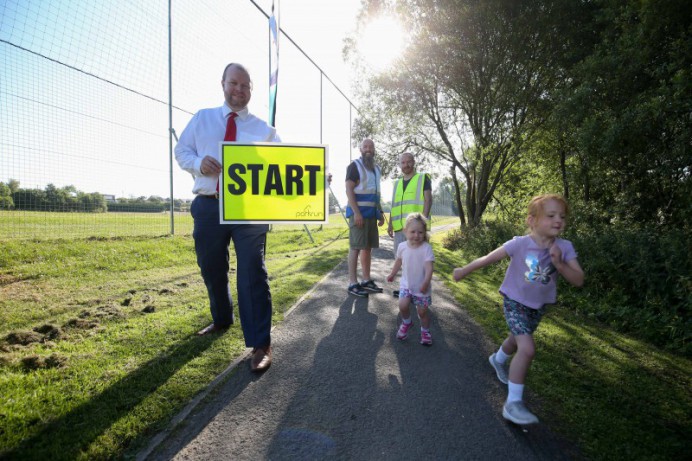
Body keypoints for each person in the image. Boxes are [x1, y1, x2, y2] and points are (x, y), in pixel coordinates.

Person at [175, 63, 278, 372]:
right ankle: (221, 319)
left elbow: (285, 168)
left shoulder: (265, 131)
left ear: (251, 90)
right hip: (208, 205)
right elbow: (181, 151)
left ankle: (261, 344)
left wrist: (315, 179)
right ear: (223, 83)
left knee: (252, 271)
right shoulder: (202, 118)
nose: (239, 90)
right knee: (211, 266)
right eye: (234, 83)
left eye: (245, 85)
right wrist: (197, 163)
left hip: (249, 211)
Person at [453, 194, 584, 425]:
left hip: (538, 306)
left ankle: (497, 359)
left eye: (562, 216)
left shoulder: (564, 247)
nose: (558, 221)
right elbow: (487, 259)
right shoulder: (519, 243)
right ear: (531, 221)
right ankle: (513, 404)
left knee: (515, 339)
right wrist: (464, 270)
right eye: (551, 215)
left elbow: (578, 280)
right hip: (514, 301)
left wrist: (559, 264)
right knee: (527, 347)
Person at [387, 152, 432, 297]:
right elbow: (394, 204)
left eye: (408, 162)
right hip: (401, 228)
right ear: (400, 165)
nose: (406, 165)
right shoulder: (397, 183)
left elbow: (428, 200)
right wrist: (390, 224)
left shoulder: (422, 178)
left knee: (419, 259)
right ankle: (405, 288)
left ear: (414, 162)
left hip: (417, 229)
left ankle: (421, 289)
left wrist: (423, 224)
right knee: (402, 258)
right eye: (403, 163)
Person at [345, 138, 386, 297]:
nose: (368, 149)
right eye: (365, 146)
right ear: (361, 149)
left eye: (371, 146)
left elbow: (376, 193)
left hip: (371, 216)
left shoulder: (376, 169)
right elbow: (349, 190)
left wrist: (380, 212)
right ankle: (353, 283)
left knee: (367, 248)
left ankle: (366, 280)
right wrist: (356, 213)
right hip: (358, 216)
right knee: (355, 247)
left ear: (374, 150)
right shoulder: (354, 166)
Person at [386, 213, 435, 345]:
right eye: (412, 231)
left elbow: (429, 268)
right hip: (406, 285)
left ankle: (425, 331)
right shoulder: (402, 246)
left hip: (422, 287)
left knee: (422, 312)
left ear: (424, 233)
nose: (416, 235)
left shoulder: (426, 248)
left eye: (420, 232)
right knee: (402, 305)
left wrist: (425, 283)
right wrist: (392, 274)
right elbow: (398, 262)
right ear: (405, 231)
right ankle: (407, 322)